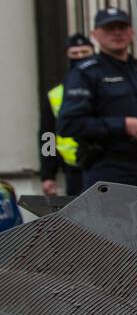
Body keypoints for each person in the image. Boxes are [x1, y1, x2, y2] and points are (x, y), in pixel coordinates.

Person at [58, 8, 137, 192]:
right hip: (110, 169)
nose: (117, 33)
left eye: (122, 27)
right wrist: (122, 125)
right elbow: (69, 124)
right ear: (95, 34)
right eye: (109, 28)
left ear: (131, 32)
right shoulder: (86, 73)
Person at [39, 33, 95, 197]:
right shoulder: (56, 94)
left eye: (84, 53)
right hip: (73, 170)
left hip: (104, 164)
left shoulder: (105, 85)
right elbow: (47, 136)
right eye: (75, 54)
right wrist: (48, 174)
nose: (80, 57)